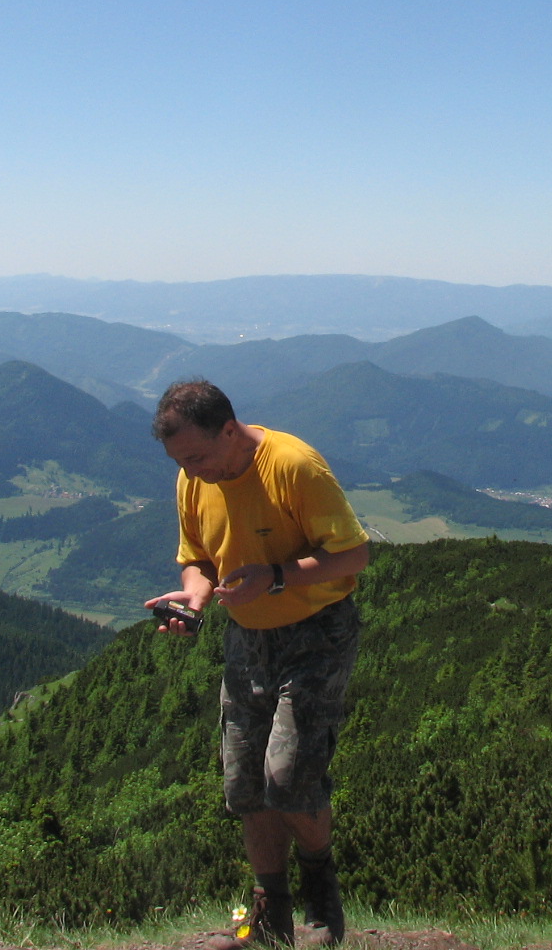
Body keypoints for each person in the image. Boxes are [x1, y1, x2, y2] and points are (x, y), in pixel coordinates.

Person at [145, 379, 370, 949]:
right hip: (246, 639)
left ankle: (321, 895)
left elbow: (354, 554)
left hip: (316, 634)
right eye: (180, 462)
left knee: (289, 778)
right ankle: (270, 914)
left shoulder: (293, 466)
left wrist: (274, 577)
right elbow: (197, 559)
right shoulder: (194, 478)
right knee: (245, 784)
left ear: (229, 429)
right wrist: (194, 597)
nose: (191, 472)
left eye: (197, 457)